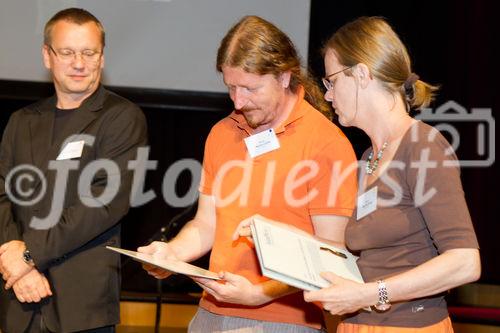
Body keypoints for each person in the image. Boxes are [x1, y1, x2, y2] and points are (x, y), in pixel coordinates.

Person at [139, 15, 357, 332]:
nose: (238, 101)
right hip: (210, 313)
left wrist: (258, 294)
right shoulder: (222, 133)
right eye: (231, 87)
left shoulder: (326, 143)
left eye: (250, 88)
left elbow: (330, 252)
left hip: (285, 320)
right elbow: (206, 223)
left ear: (284, 77)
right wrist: (172, 252)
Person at [303, 16, 481, 332]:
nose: (328, 95)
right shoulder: (370, 157)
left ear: (360, 74)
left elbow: (465, 262)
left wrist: (370, 293)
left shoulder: (423, 146)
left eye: (331, 81)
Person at [0, 8, 147, 333]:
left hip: (81, 309)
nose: (79, 63)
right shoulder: (21, 121)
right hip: (19, 302)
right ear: (47, 56)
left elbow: (104, 203)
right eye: (67, 52)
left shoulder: (121, 118)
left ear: (102, 57)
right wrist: (14, 259)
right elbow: (2, 196)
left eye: (88, 52)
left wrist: (27, 257)